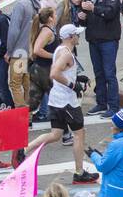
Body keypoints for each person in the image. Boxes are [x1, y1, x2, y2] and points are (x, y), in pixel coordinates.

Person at [22, 25, 99, 185]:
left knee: (55, 134)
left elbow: (61, 71)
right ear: (71, 37)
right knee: (79, 134)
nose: (79, 37)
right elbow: (54, 73)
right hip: (67, 102)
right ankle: (79, 172)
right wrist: (73, 85)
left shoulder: (59, 50)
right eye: (77, 35)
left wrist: (77, 79)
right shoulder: (65, 54)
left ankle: (23, 150)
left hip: (56, 100)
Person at [81, 0, 122, 116]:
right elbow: (84, 22)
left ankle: (114, 106)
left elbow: (110, 13)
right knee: (98, 73)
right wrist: (82, 17)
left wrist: (94, 9)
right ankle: (101, 103)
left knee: (109, 74)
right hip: (93, 40)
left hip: (108, 40)